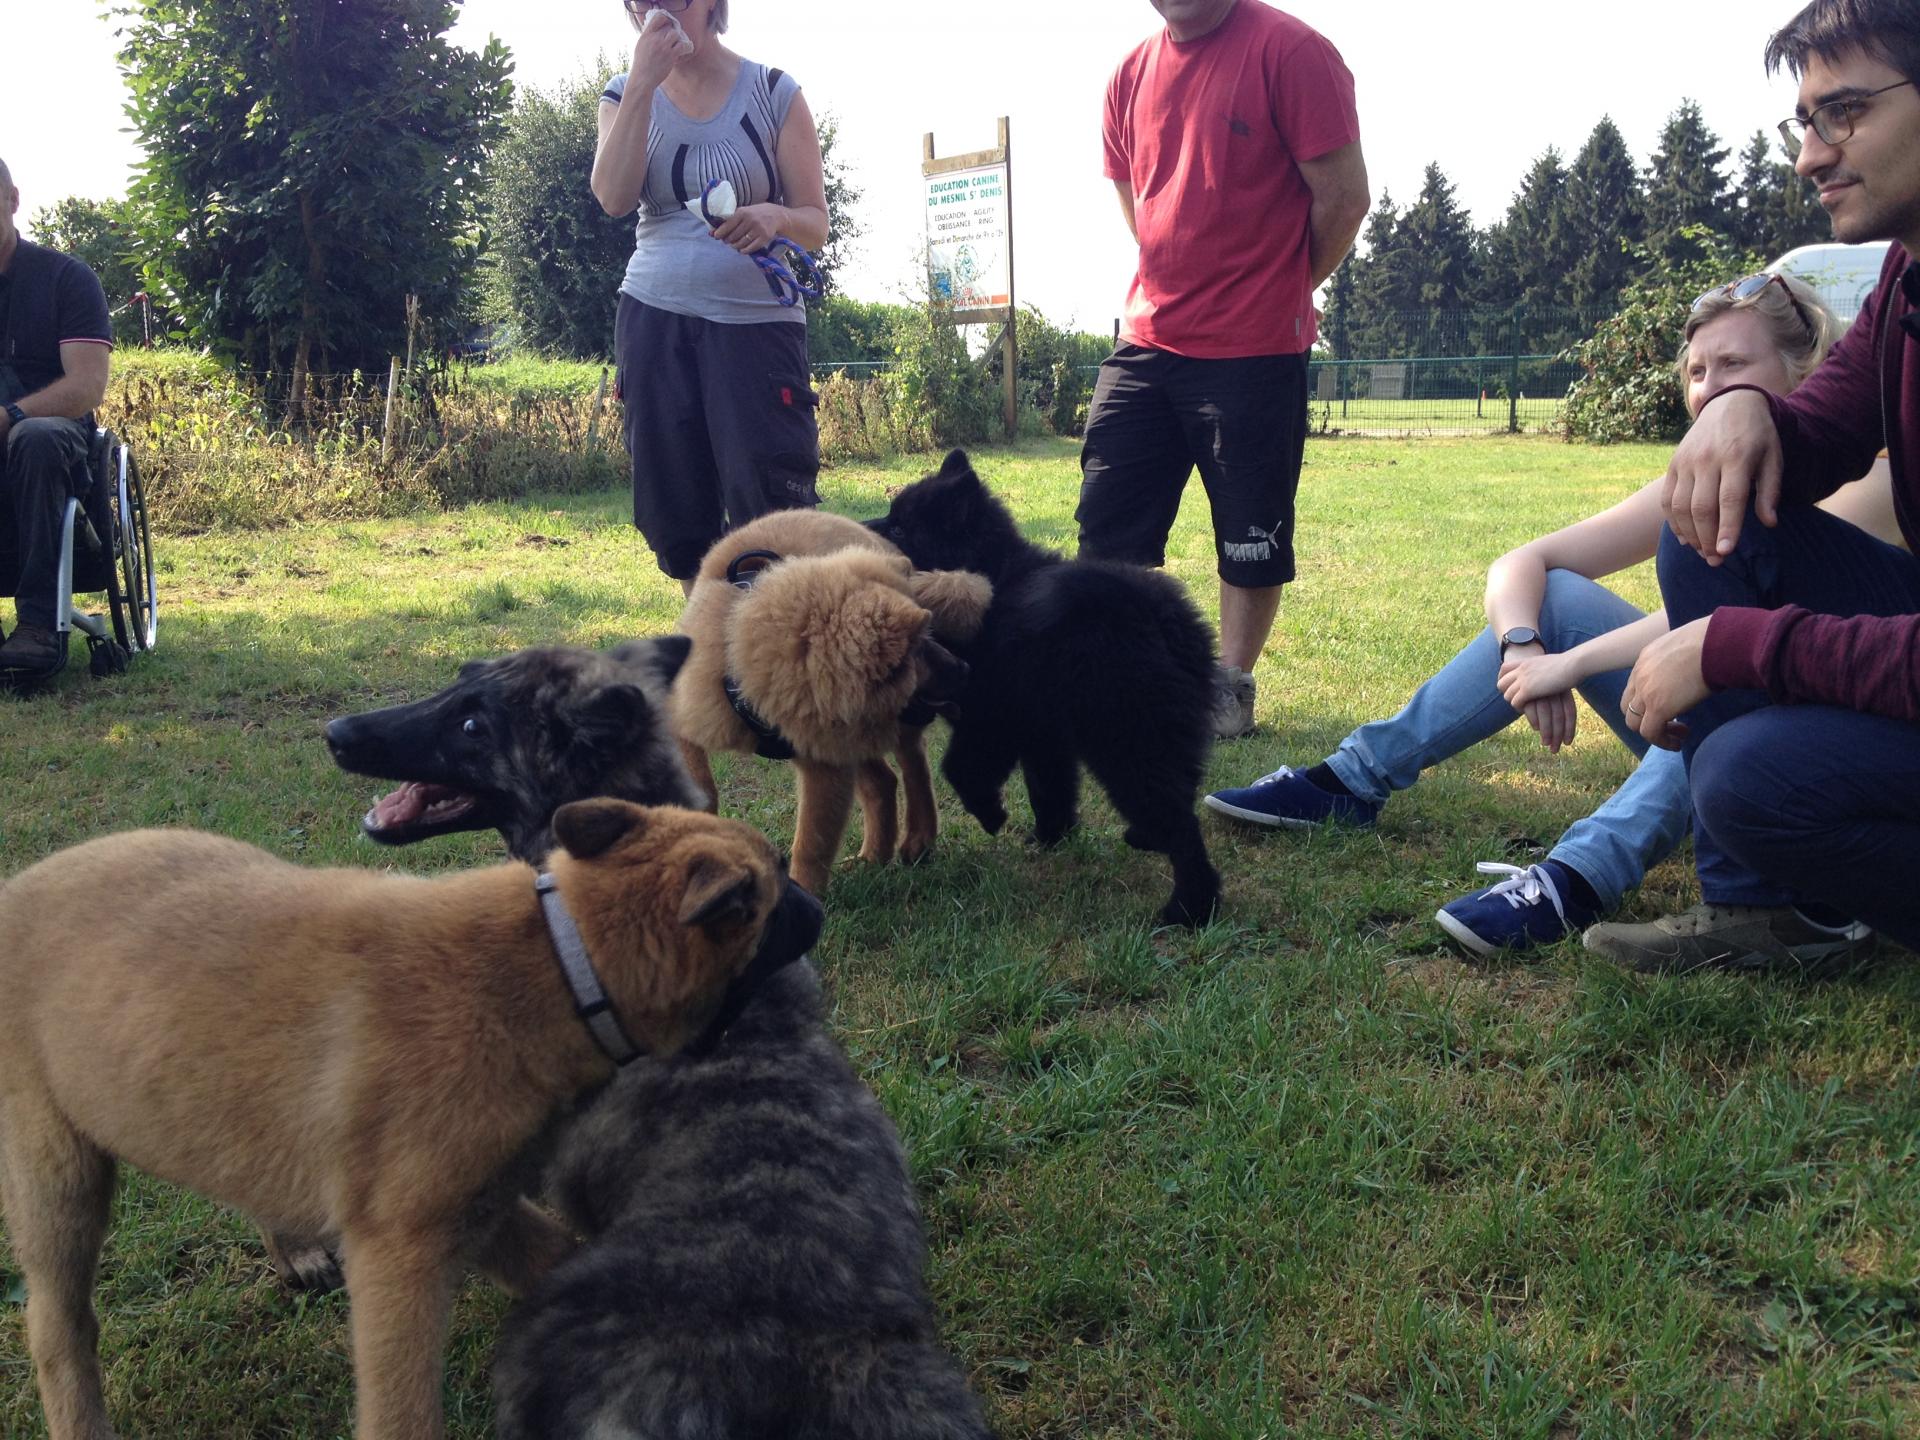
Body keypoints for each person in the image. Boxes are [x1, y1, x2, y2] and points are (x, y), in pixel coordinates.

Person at [1206, 271, 1903, 955]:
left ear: (1807, 368)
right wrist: (1522, 648)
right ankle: (1353, 779)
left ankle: (1578, 874)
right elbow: (1524, 563)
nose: (1710, 389)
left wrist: (1571, 663)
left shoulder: (1872, 474)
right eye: (1696, 371)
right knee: (1560, 599)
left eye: (1733, 365)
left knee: (1707, 676)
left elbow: (1746, 629)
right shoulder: (1699, 475)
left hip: (1835, 730)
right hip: (1735, 718)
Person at [1587, 0, 1920, 971]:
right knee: (1711, 521)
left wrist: (1741, 646)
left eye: (1845, 112)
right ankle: (1769, 916)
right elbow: (1816, 429)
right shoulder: (1907, 277)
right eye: (1805, 123)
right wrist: (1744, 406)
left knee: (1749, 775)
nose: (1811, 156)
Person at [1078, 0, 1370, 740]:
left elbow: (1344, 198)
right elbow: (1130, 189)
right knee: (1109, 524)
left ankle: (1229, 688)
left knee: (1250, 533)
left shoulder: (1292, 52)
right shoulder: (1129, 74)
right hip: (1149, 339)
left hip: (1254, 345)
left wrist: (1279, 286)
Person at [590, 0, 828, 591]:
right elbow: (614, 198)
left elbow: (816, 224)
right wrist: (644, 81)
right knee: (679, 517)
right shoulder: (623, 95)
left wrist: (775, 216)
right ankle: (706, 659)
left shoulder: (774, 92)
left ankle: (772, 665)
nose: (653, 6)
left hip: (756, 328)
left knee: (773, 515)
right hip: (655, 319)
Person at [0, 156, 113, 682]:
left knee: (34, 437)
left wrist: (12, 414)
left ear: (12, 199)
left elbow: (88, 386)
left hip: (53, 432)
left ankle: (39, 623)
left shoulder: (67, 278)